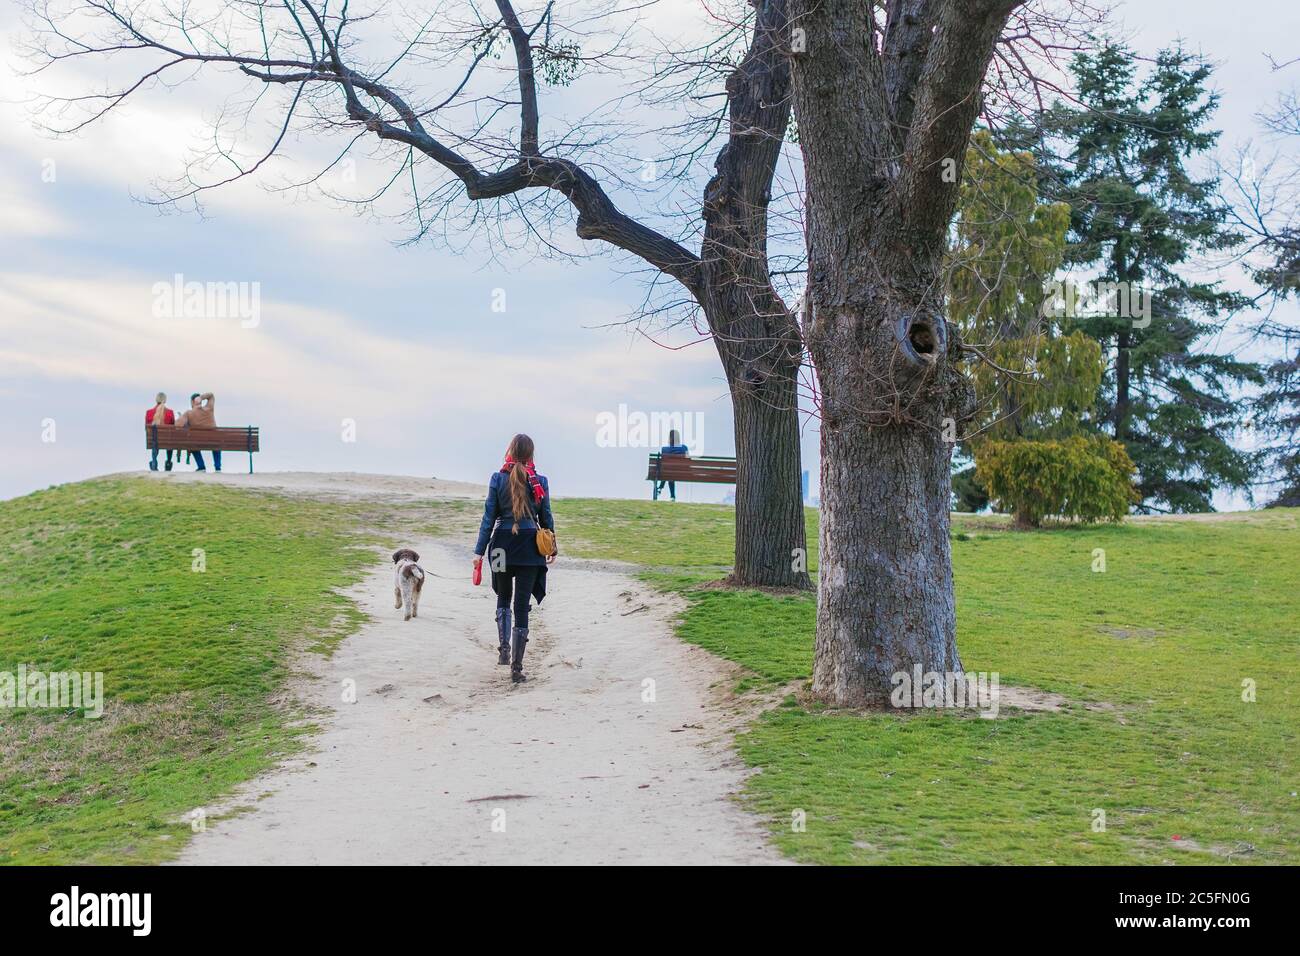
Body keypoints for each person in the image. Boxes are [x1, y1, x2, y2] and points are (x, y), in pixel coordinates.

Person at [472, 434, 556, 683]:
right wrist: (553, 547)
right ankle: (516, 668)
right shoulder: (540, 481)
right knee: (521, 605)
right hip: (530, 548)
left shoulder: (497, 479)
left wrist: (478, 552)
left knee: (503, 596)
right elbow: (546, 517)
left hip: (500, 547)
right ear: (531, 454)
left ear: (509, 451)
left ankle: (504, 650)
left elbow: (488, 519)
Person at [177, 392, 220, 472]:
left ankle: (201, 467)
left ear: (192, 402)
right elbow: (211, 395)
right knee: (216, 444)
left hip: (198, 442)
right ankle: (218, 468)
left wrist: (180, 417)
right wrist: (202, 397)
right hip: (213, 441)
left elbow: (178, 426)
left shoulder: (188, 413)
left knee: (192, 445)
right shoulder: (209, 408)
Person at [654, 428, 690, 502]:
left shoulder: (664, 449)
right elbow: (688, 460)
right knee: (669, 472)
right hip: (683, 472)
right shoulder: (684, 447)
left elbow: (663, 464)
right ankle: (671, 495)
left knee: (668, 471)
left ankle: (662, 489)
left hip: (668, 472)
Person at [145, 392, 176, 472]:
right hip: (167, 441)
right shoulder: (170, 412)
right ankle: (168, 462)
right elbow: (173, 428)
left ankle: (154, 462)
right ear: (165, 400)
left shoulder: (149, 412)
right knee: (170, 440)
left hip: (154, 440)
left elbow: (146, 428)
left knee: (155, 439)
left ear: (156, 400)